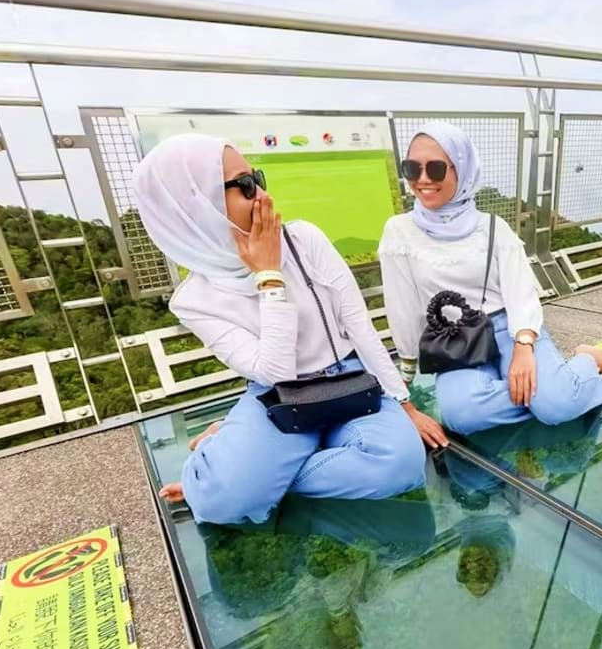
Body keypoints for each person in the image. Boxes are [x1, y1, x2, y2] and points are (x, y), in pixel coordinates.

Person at [133, 134, 447, 525]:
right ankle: (239, 462)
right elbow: (275, 371)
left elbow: (358, 325)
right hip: (278, 398)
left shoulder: (304, 240)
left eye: (259, 178)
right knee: (219, 507)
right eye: (246, 186)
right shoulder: (193, 299)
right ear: (195, 205)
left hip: (347, 380)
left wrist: (405, 404)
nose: (263, 196)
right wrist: (268, 276)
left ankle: (249, 467)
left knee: (400, 466)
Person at [379, 122, 602, 436]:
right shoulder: (399, 232)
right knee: (462, 418)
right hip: (453, 340)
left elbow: (520, 292)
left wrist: (523, 346)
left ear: (461, 169)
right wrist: (406, 372)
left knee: (558, 406)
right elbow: (402, 307)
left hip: (510, 327)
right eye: (412, 168)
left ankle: (587, 361)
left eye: (435, 169)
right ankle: (550, 388)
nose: (422, 179)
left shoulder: (491, 227)